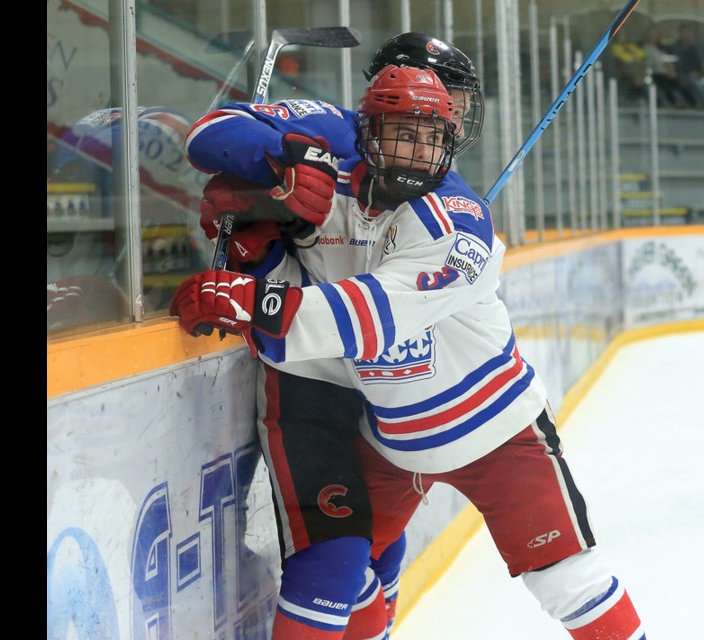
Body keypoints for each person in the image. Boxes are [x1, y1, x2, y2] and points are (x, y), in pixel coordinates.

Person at [171, 64, 647, 640]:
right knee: (336, 574)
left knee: (570, 581)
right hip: (392, 440)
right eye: (405, 133)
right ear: (365, 133)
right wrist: (262, 228)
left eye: (433, 137)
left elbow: (374, 316)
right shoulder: (335, 193)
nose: (420, 151)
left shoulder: (460, 224)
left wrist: (254, 304)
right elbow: (223, 155)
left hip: (496, 431)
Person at [183, 34, 487, 640]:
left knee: (383, 546)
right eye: (437, 94)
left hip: (391, 390)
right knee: (337, 560)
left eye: (452, 100)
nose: (442, 116)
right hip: (310, 379)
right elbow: (208, 134)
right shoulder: (333, 128)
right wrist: (277, 166)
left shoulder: (449, 190)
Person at [671, 23, 704, 109]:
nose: (686, 35)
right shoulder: (676, 48)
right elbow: (677, 64)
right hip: (682, 74)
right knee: (696, 83)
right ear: (680, 34)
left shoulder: (693, 48)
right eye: (684, 33)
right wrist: (689, 72)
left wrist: (700, 73)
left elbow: (698, 63)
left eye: (687, 33)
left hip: (696, 74)